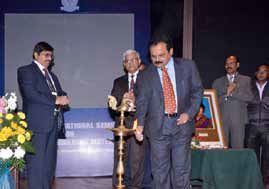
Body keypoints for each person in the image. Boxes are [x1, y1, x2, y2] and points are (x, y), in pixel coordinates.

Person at [134, 34, 203, 189]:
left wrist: (189, 113)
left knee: (181, 171)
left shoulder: (188, 66)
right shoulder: (145, 75)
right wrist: (139, 125)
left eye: (161, 55)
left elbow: (197, 91)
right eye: (153, 56)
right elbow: (142, 102)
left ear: (171, 51)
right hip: (158, 128)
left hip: (182, 126)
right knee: (159, 173)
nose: (157, 60)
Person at [17, 41, 69, 189]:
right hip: (37, 125)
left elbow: (59, 92)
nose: (49, 58)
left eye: (51, 56)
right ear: (36, 54)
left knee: (48, 166)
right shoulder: (25, 71)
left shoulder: (52, 76)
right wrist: (56, 100)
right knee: (36, 165)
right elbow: (30, 94)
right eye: (46, 55)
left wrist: (64, 96)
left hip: (53, 124)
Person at [110, 49, 145, 189]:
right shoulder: (118, 82)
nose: (130, 63)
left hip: (139, 125)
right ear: (124, 65)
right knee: (119, 159)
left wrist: (135, 101)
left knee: (137, 162)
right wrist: (122, 101)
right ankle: (118, 186)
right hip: (121, 126)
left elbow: (152, 102)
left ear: (139, 61)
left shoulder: (147, 79)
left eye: (133, 60)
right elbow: (112, 105)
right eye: (127, 61)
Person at [212, 55, 252, 148]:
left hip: (239, 120)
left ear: (237, 65)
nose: (228, 65)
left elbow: (249, 97)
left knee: (238, 149)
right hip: (221, 120)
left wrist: (232, 93)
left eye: (231, 63)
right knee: (221, 149)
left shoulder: (246, 80)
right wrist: (226, 93)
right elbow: (213, 102)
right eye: (226, 64)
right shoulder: (217, 82)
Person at [246, 64, 269, 188]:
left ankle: (265, 182)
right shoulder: (248, 86)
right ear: (255, 74)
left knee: (267, 156)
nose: (261, 73)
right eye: (259, 71)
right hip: (251, 126)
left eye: (265, 71)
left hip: (267, 126)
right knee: (251, 156)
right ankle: (253, 181)